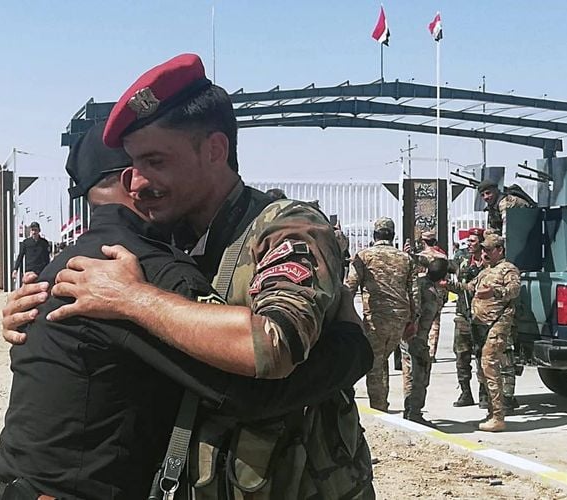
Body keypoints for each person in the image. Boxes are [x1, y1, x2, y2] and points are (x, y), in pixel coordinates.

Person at [28, 53, 373, 498]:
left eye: (156, 161)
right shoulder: (164, 241)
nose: (136, 183)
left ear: (214, 150)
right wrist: (34, 306)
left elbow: (275, 342)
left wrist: (133, 299)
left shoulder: (287, 228)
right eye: (132, 166)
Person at [346, 216, 419, 412]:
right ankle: (409, 407)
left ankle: (379, 408)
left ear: (375, 234)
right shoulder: (406, 258)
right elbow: (414, 292)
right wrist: (413, 320)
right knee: (392, 360)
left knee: (375, 364)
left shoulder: (364, 256)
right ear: (393, 235)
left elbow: (349, 287)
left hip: (376, 319)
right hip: (400, 319)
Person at [459, 234, 520, 432]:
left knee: (490, 365)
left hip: (498, 324)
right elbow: (469, 288)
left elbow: (514, 290)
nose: (484, 253)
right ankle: (493, 411)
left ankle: (498, 416)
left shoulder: (507, 269)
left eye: (489, 249)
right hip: (481, 325)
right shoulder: (486, 271)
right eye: (483, 249)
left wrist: (494, 292)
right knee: (484, 369)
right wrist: (446, 284)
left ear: (499, 250)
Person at [401, 258, 448, 426]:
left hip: (412, 336)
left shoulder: (422, 284)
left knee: (411, 373)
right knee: (419, 375)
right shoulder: (428, 290)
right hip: (417, 337)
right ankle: (414, 412)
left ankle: (410, 410)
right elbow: (419, 311)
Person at [448, 227, 486, 407]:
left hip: (483, 316)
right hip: (463, 315)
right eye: (468, 241)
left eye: (472, 241)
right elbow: (457, 285)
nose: (469, 244)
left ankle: (484, 393)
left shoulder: (489, 264)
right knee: (461, 355)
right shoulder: (462, 260)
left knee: (482, 356)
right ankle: (465, 392)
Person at [418, 230, 448, 363]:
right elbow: (445, 278)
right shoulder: (442, 257)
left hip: (421, 290)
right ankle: (432, 352)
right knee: (435, 322)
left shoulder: (419, 257)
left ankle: (421, 346)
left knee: (420, 320)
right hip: (438, 291)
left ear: (423, 241)